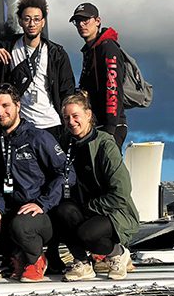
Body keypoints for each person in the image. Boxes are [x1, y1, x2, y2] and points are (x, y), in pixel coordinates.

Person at [0, 84, 74, 282]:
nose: (0, 112)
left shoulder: (38, 137)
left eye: (5, 106)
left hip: (39, 213)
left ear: (18, 105)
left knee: (19, 225)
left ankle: (36, 258)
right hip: (10, 208)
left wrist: (43, 203)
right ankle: (17, 256)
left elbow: (67, 173)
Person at [56, 91, 139, 281]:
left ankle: (118, 253)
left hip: (112, 211)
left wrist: (90, 207)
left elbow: (121, 192)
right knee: (61, 212)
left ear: (88, 115)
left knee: (87, 234)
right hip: (84, 207)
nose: (71, 122)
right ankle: (82, 263)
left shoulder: (105, 144)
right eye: (67, 118)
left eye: (75, 116)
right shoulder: (66, 144)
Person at [0, 0, 75, 140]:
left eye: (36, 19)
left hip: (51, 123)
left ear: (43, 22)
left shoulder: (57, 54)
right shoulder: (8, 47)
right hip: (20, 124)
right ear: (20, 21)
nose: (32, 24)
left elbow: (67, 90)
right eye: (27, 19)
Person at [70, 2, 128, 149]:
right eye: (77, 21)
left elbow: (113, 88)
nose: (81, 24)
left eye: (85, 20)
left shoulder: (107, 48)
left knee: (107, 164)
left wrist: (110, 130)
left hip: (110, 126)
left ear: (97, 21)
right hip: (96, 125)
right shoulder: (90, 50)